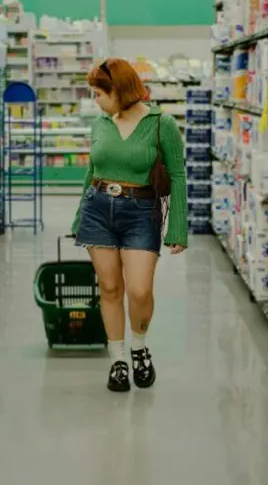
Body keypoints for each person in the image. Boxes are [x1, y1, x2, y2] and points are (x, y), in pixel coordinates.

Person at [71, 58, 188, 392]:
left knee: (139, 290)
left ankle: (139, 346)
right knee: (109, 288)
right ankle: (118, 360)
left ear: (118, 90)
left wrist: (177, 227)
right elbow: (91, 173)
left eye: (98, 93)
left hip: (141, 211)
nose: (95, 100)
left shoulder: (160, 123)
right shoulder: (101, 123)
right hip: (98, 210)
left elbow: (178, 175)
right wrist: (80, 215)